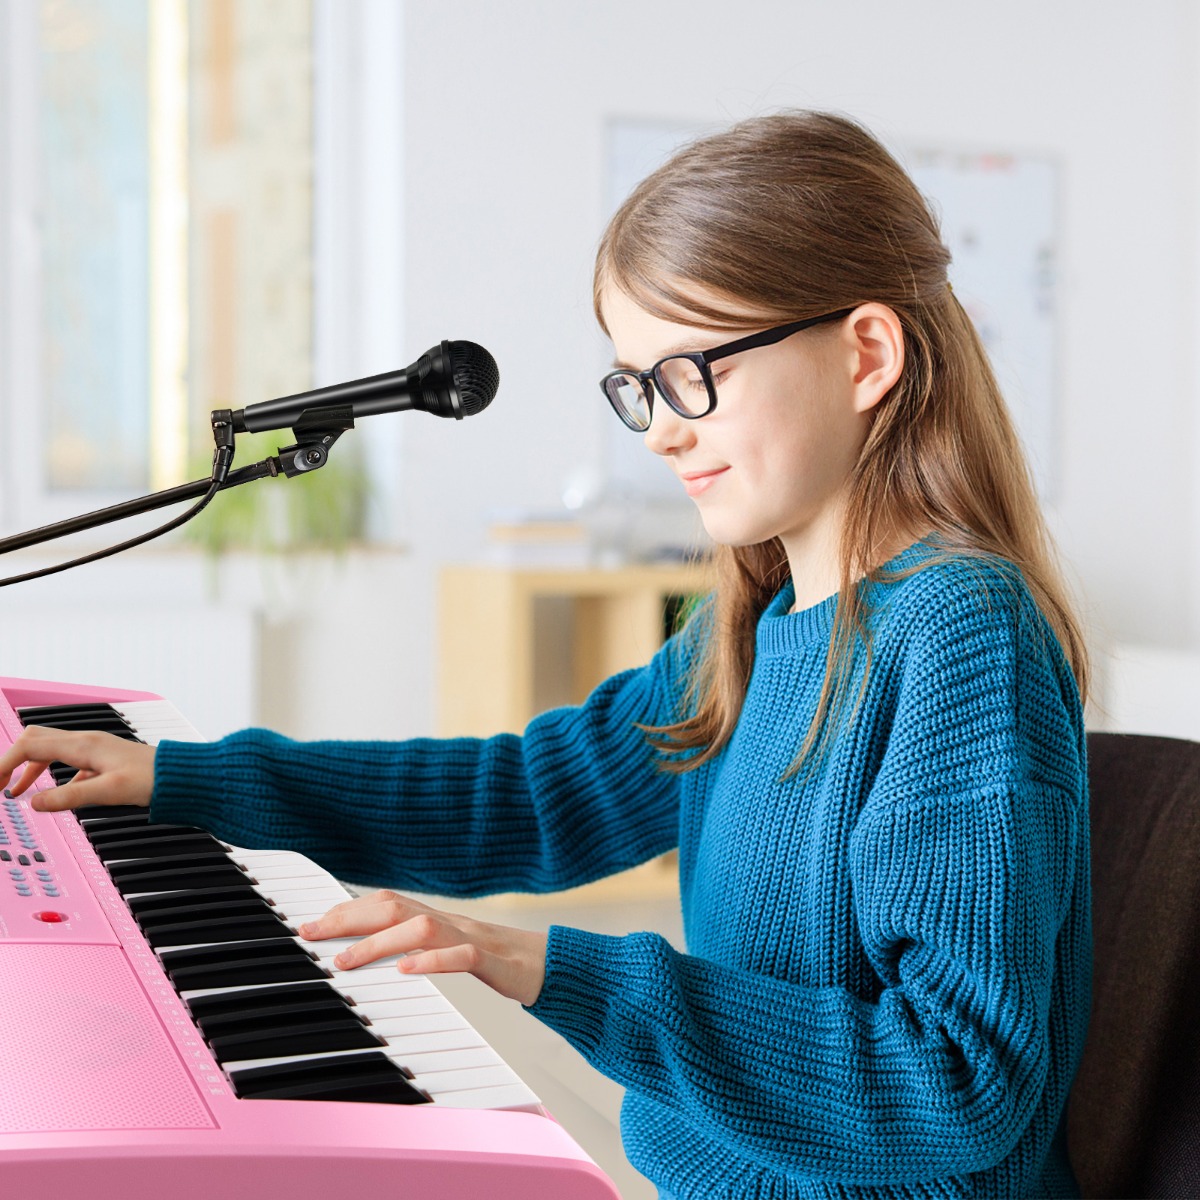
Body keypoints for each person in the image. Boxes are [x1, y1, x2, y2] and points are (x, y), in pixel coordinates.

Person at [0, 110, 1091, 1199]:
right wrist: (190, 780)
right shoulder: (743, 626)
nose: (661, 430)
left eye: (689, 375)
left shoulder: (961, 638)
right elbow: (523, 798)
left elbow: (955, 1085)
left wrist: (538, 963)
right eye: (637, 387)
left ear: (867, 354)